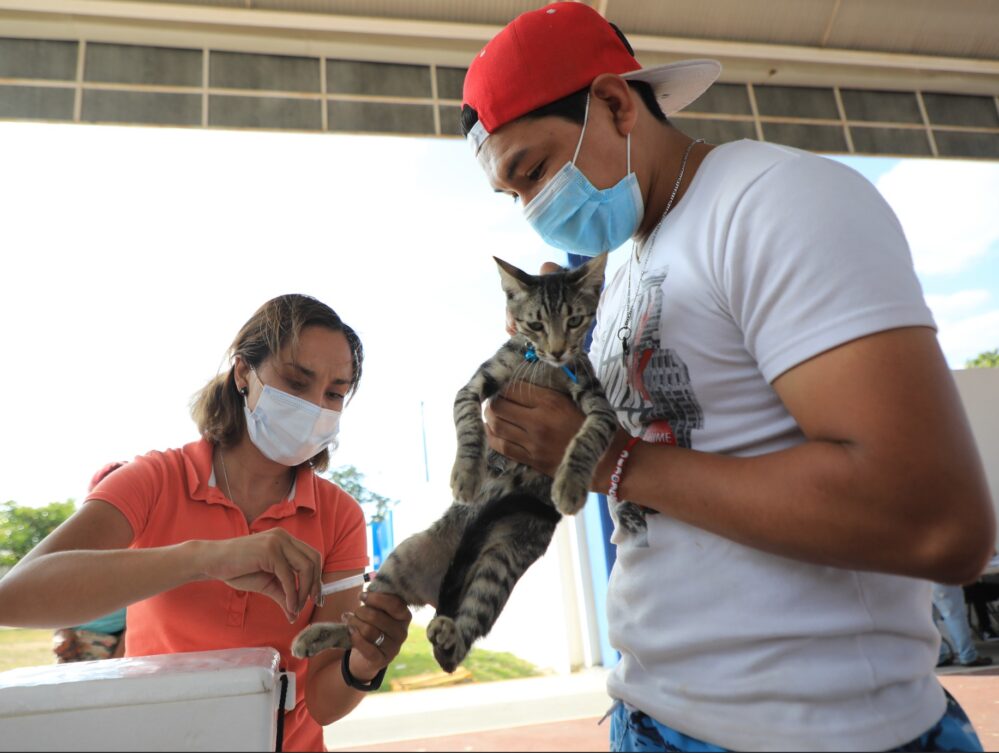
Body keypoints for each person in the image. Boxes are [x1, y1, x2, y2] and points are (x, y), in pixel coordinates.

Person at [459, 3, 996, 751]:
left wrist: (612, 461)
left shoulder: (775, 203)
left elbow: (937, 521)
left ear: (614, 104)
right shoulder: (614, 273)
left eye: (535, 171)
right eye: (511, 193)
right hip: (647, 715)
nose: (530, 209)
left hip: (822, 732)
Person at [0, 294, 412, 752]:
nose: (316, 406)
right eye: (297, 382)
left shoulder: (339, 516)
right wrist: (205, 557)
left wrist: (363, 665)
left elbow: (322, 704)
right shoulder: (157, 480)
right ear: (243, 374)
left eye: (334, 393)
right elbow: (12, 598)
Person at [52, 462, 129, 664]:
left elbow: (142, 616)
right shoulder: (76, 545)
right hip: (76, 643)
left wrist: (118, 658)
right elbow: (60, 600)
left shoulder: (144, 549)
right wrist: (62, 634)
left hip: (116, 646)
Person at [931, 583, 992, 668]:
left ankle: (939, 655)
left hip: (916, 579)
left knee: (927, 618)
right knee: (955, 616)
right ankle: (968, 655)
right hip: (940, 576)